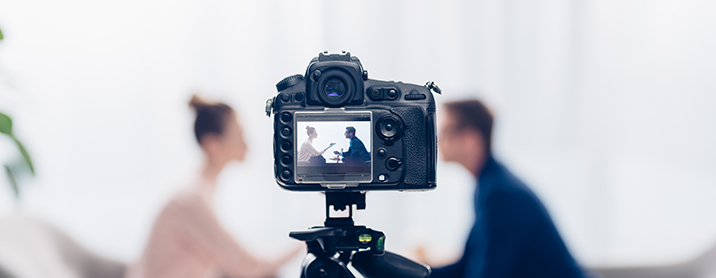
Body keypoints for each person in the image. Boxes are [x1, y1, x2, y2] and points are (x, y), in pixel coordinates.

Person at [126, 95, 299, 278]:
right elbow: (246, 265)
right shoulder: (191, 200)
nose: (247, 144)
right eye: (239, 135)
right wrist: (307, 242)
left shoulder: (202, 191)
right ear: (212, 144)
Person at [430, 99, 585, 278]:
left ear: (470, 139)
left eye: (444, 132)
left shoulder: (500, 194)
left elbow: (487, 273)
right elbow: (466, 266)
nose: (438, 141)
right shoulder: (488, 185)